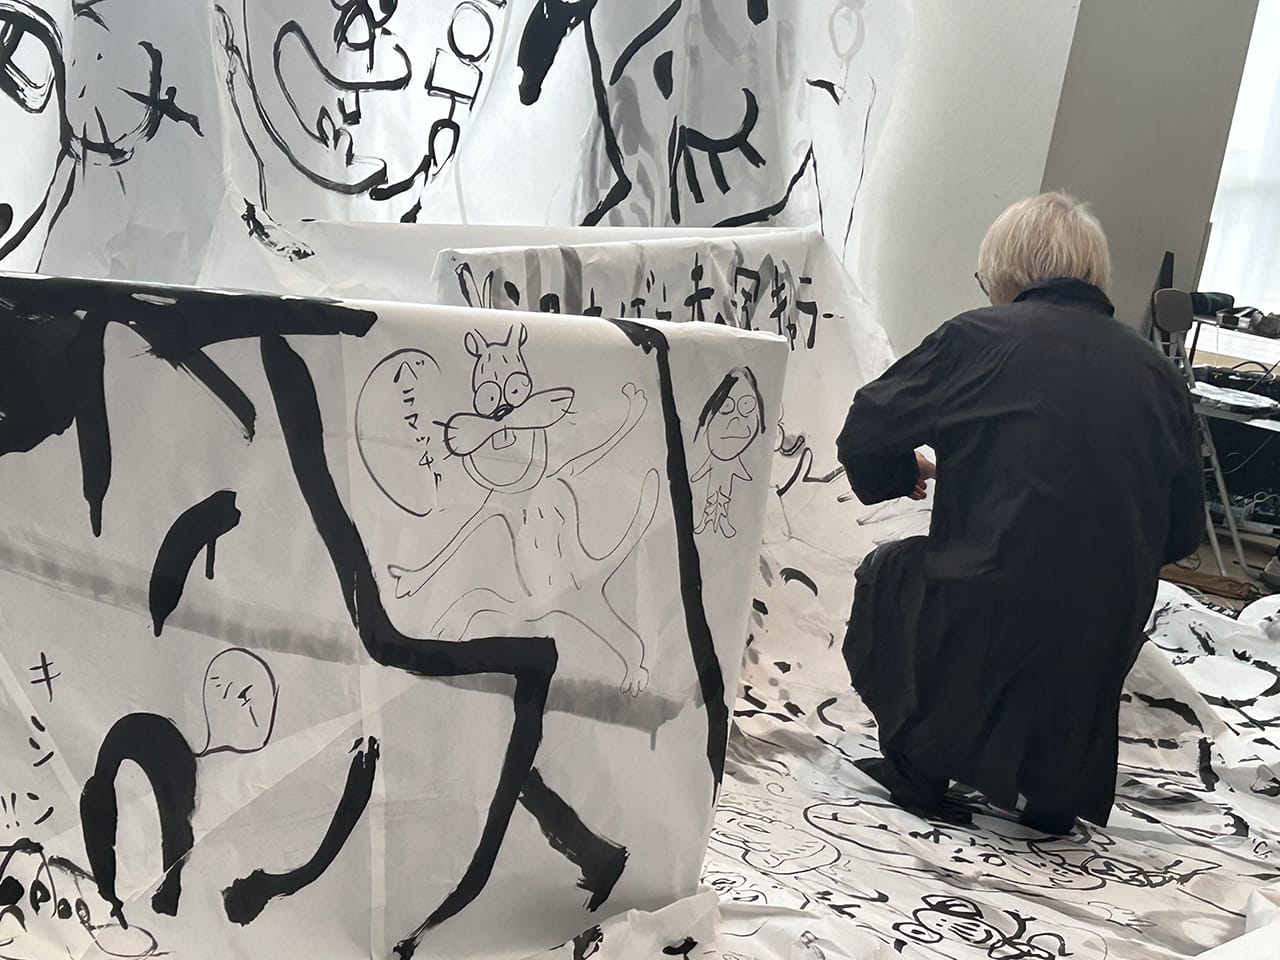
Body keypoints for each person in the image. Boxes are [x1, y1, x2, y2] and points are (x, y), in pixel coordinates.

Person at [836, 192, 1204, 834]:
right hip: (1105, 621)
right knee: (1065, 604)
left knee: (893, 572)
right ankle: (1053, 794)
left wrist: (901, 472)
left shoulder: (976, 338)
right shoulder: (1159, 373)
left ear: (1006, 273)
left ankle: (920, 766)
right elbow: (1181, 532)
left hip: (986, 600)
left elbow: (866, 430)